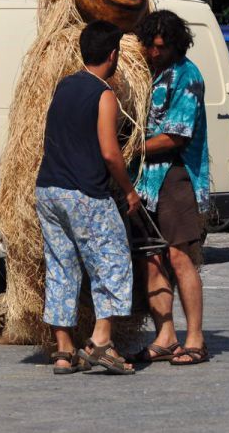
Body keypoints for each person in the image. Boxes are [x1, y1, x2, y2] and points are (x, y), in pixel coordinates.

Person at [34, 20, 140, 375]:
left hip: (48, 191)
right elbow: (110, 153)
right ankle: (101, 342)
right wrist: (128, 190)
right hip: (84, 193)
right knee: (113, 262)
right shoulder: (103, 94)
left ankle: (64, 351)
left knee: (62, 267)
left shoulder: (63, 86)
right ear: (113, 55)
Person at [131, 10, 211, 365]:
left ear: (176, 45)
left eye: (161, 47)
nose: (154, 53)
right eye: (150, 46)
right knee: (152, 259)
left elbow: (176, 135)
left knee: (180, 258)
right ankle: (166, 336)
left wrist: (128, 149)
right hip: (145, 181)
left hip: (176, 175)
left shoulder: (188, 75)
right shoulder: (147, 73)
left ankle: (195, 339)